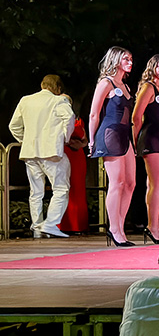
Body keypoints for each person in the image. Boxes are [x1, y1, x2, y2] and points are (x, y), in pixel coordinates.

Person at [9, 74, 76, 239]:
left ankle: (37, 227)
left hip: (30, 153)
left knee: (36, 192)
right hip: (51, 152)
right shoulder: (58, 100)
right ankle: (50, 224)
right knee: (60, 188)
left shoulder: (26, 100)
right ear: (58, 88)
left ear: (42, 84)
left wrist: (26, 140)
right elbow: (69, 118)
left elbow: (14, 126)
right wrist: (64, 138)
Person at [88, 47, 138, 246]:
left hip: (125, 136)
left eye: (131, 58)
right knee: (116, 182)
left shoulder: (125, 85)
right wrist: (91, 141)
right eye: (126, 58)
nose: (130, 62)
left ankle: (120, 226)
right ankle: (114, 229)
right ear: (115, 60)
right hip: (110, 134)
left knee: (131, 183)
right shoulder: (105, 83)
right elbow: (94, 113)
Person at [132, 55, 159, 243]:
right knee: (156, 184)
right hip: (151, 137)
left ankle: (154, 224)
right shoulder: (148, 87)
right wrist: (135, 141)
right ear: (152, 67)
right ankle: (152, 226)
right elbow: (136, 116)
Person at [59, 96, 90, 234]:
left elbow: (85, 140)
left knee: (78, 188)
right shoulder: (54, 119)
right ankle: (64, 226)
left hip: (77, 155)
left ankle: (79, 225)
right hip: (63, 153)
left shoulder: (77, 120)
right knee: (64, 188)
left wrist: (80, 143)